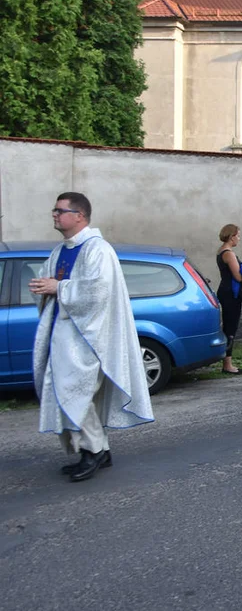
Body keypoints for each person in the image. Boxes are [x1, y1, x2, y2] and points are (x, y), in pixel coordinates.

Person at [29, 192, 154, 482]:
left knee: (72, 394)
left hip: (90, 339)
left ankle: (94, 451)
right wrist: (45, 286)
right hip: (65, 337)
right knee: (76, 395)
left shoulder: (98, 250)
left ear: (79, 216)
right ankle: (101, 449)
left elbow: (98, 292)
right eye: (55, 210)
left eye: (60, 210)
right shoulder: (61, 250)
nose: (54, 215)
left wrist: (58, 287)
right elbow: (50, 281)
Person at [216, 224, 242, 374]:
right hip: (230, 293)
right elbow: (238, 276)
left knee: (229, 326)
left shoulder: (221, 251)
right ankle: (227, 365)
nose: (239, 238)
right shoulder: (229, 253)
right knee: (230, 327)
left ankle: (227, 362)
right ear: (231, 237)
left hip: (225, 290)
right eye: (238, 235)